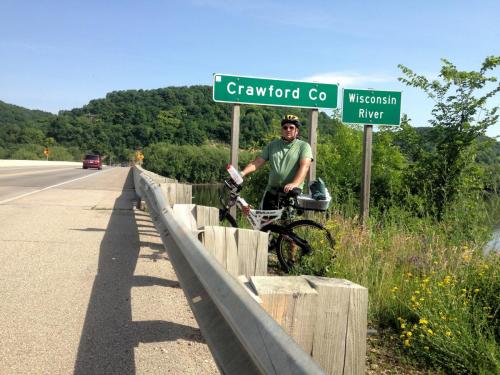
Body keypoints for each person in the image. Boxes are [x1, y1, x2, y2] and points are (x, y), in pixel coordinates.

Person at [240, 114, 313, 211]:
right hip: (272, 192)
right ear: (281, 130)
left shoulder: (303, 146)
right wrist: (242, 173)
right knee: (264, 223)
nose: (288, 130)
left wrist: (295, 183)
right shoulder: (272, 145)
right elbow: (257, 162)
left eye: (291, 127)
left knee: (286, 223)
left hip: (290, 193)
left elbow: (305, 166)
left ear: (296, 131)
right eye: (285, 127)